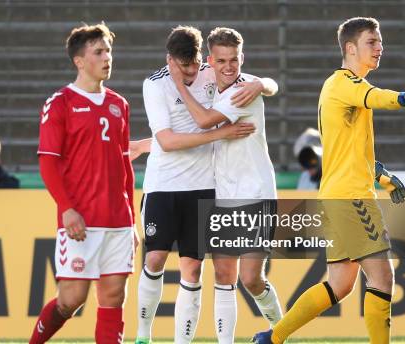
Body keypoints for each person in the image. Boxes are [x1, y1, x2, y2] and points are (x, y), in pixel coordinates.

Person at [253, 17, 405, 344]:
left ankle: (272, 337)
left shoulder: (344, 88)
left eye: (380, 42)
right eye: (372, 42)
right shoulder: (345, 83)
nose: (380, 47)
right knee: (382, 276)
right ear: (351, 48)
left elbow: (350, 151)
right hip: (351, 198)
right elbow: (378, 96)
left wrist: (384, 177)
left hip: (339, 194)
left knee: (340, 284)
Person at [135, 26, 268, 344]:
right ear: (170, 61)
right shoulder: (154, 85)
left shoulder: (210, 71)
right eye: (185, 67)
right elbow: (166, 141)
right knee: (154, 259)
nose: (193, 72)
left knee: (192, 269)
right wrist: (219, 134)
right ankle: (143, 335)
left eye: (196, 64)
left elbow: (249, 80)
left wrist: (262, 83)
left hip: (203, 187)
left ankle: (183, 342)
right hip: (163, 185)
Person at [168, 27, 282, 344]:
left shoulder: (243, 90)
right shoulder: (212, 85)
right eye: (222, 61)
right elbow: (271, 85)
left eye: (234, 59)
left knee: (251, 279)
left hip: (256, 194)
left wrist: (178, 84)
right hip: (224, 195)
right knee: (223, 275)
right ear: (210, 61)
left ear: (242, 58)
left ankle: (283, 330)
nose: (229, 67)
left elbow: (205, 121)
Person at [29, 23, 136, 344]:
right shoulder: (60, 102)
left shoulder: (120, 104)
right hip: (82, 219)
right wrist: (67, 209)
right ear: (79, 61)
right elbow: (48, 161)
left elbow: (124, 166)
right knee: (71, 300)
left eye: (109, 51)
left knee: (114, 296)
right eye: (99, 52)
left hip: (118, 218)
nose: (107, 58)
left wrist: (132, 220)